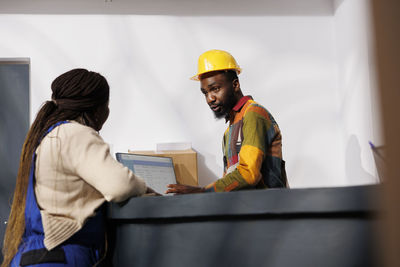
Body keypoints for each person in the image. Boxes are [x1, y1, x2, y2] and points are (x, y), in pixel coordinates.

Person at [1, 69, 157, 267]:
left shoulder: (51, 135)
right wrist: (147, 190)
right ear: (99, 109)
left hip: (37, 256)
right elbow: (120, 185)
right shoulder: (74, 133)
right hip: (60, 257)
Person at [166, 49, 287, 194]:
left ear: (235, 85)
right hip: (246, 209)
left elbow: (249, 174)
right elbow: (232, 180)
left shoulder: (254, 114)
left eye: (215, 89)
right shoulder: (230, 130)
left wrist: (203, 192)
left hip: (267, 210)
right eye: (205, 93)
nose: (210, 98)